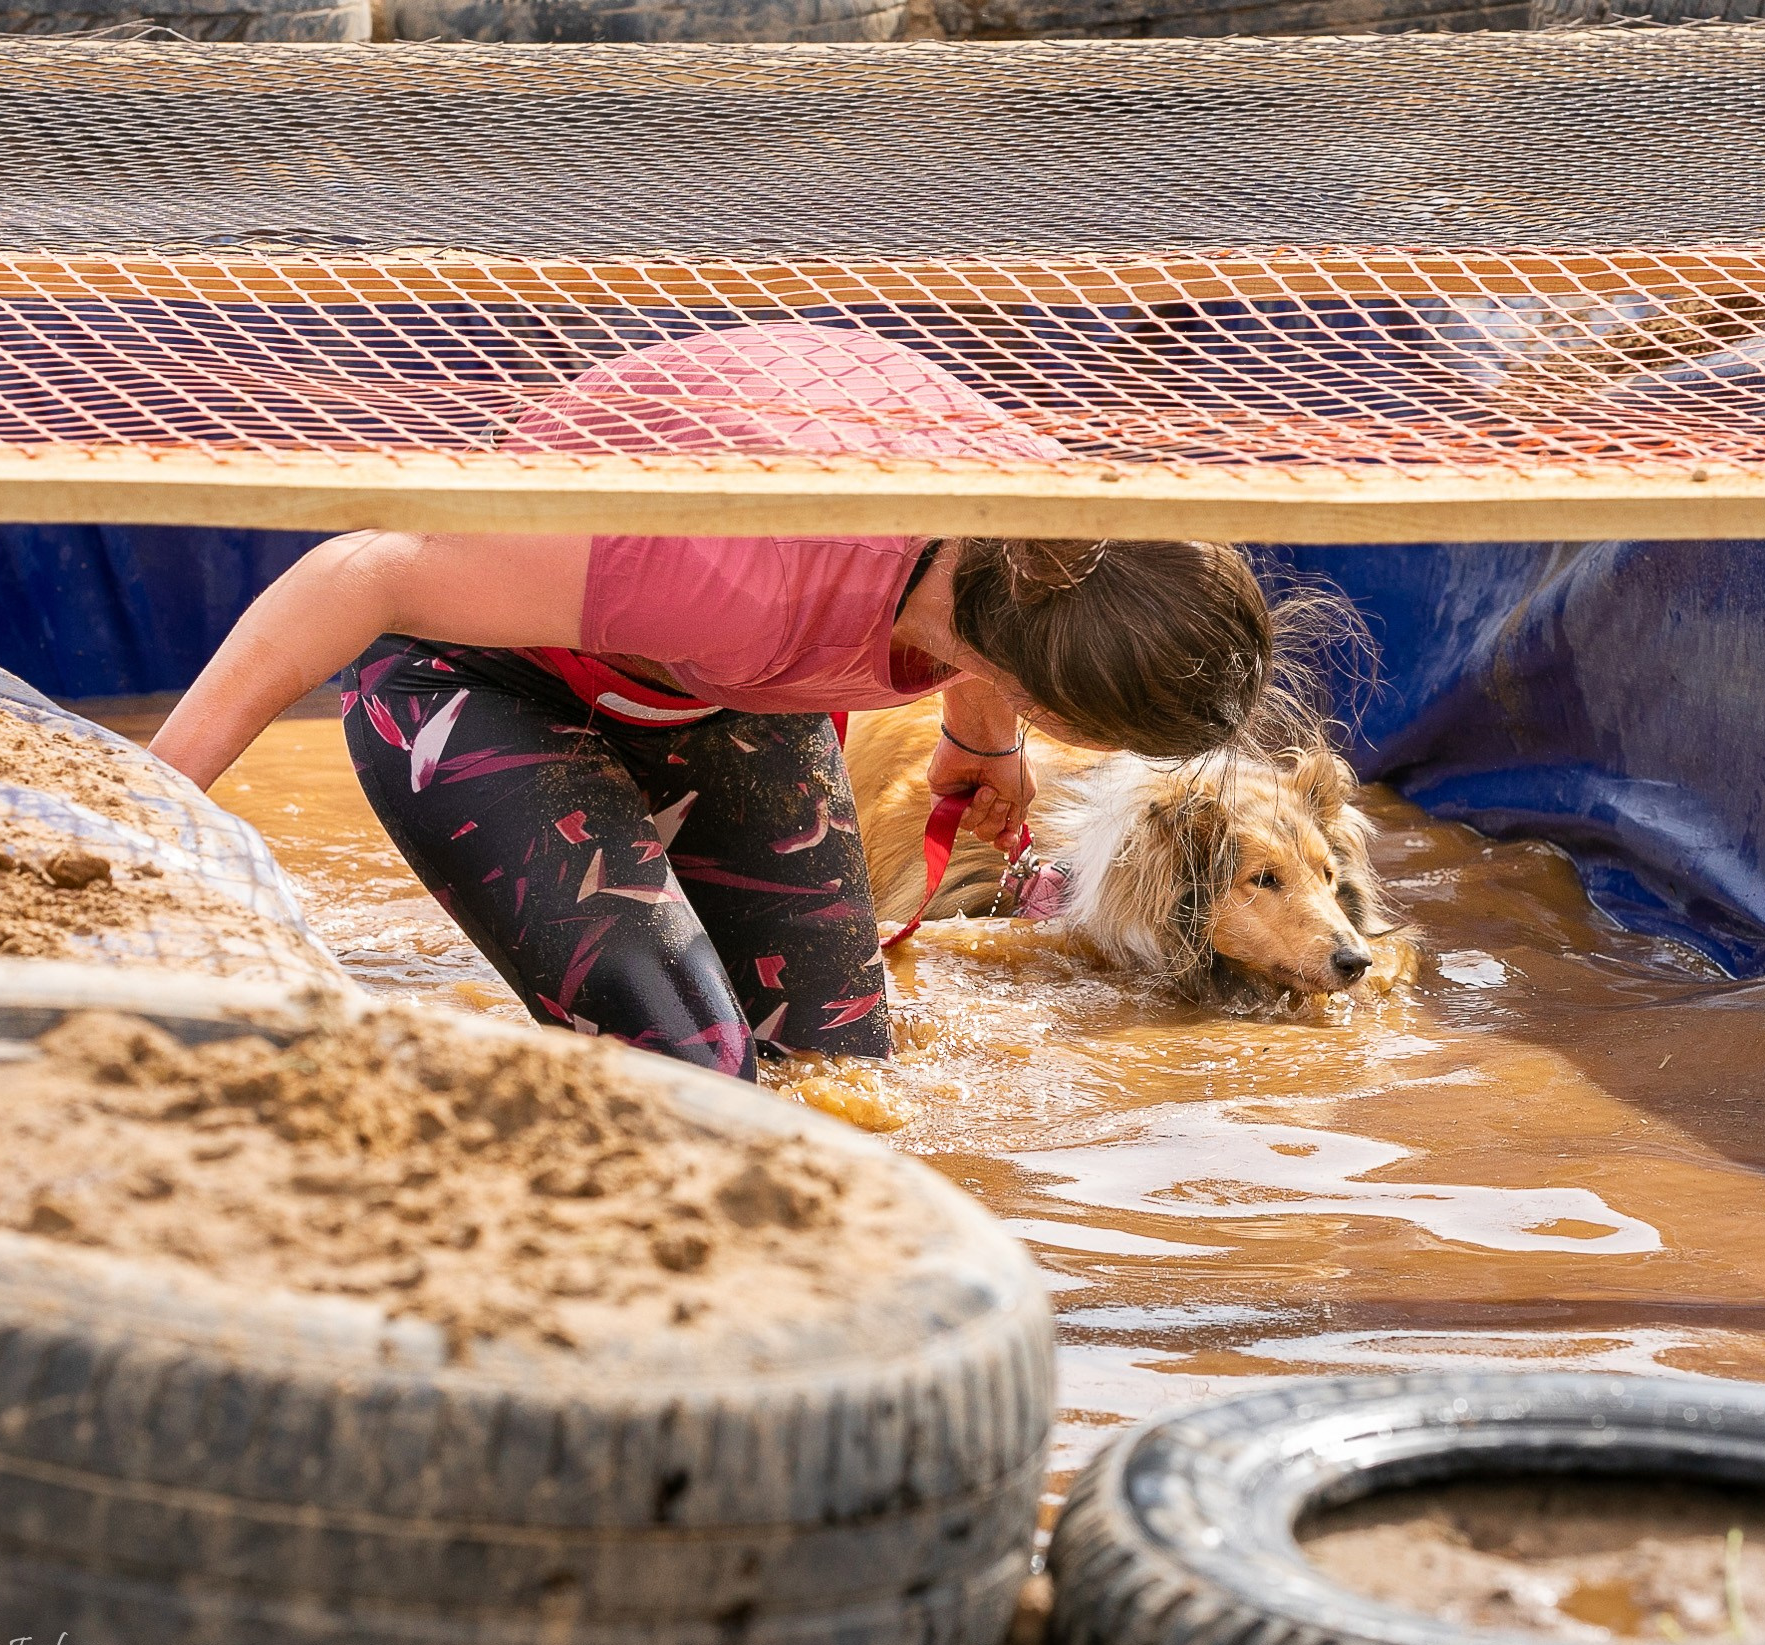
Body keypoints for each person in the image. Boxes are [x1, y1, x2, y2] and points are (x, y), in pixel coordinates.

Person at [151, 323, 1280, 1080]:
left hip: (719, 687)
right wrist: (154, 796)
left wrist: (978, 738)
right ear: (1053, 689)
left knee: (840, 1075)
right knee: (694, 1072)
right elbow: (365, 570)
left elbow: (1011, 602)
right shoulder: (729, 571)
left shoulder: (1050, 526)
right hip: (480, 679)